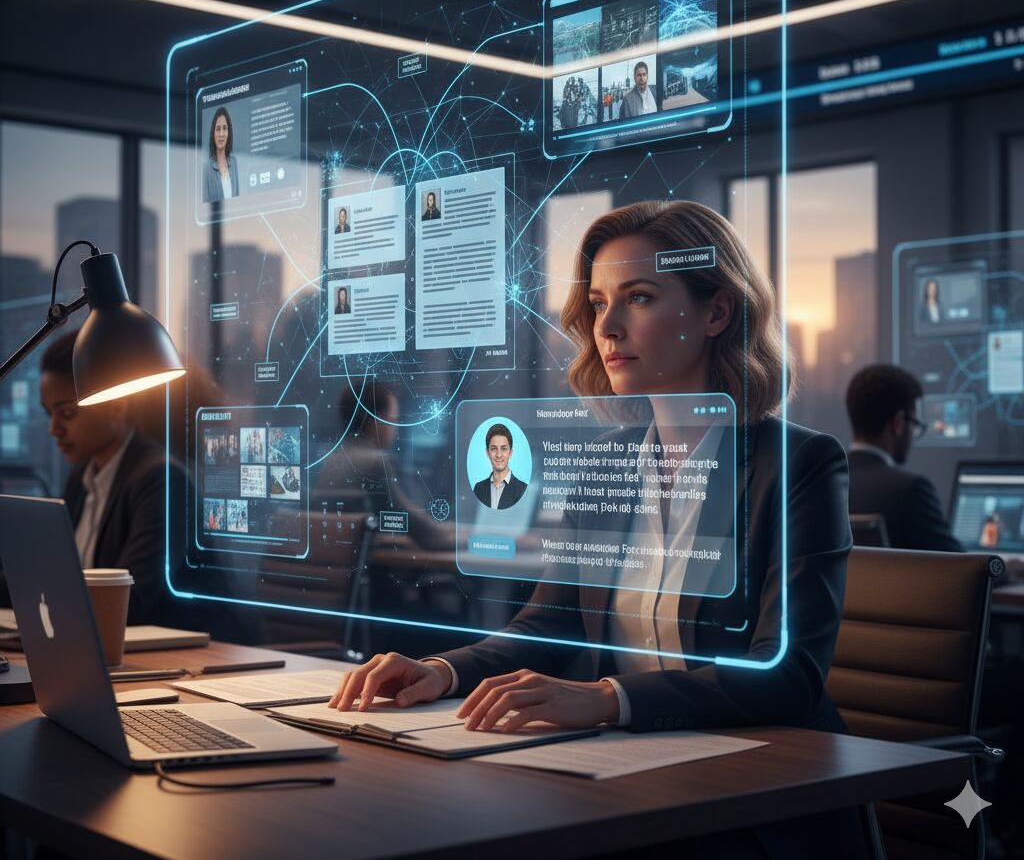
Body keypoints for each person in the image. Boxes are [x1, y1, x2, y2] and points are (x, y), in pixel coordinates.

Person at [329, 199, 866, 859]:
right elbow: (547, 624)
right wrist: (440, 671)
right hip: (633, 779)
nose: (606, 327)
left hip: (761, 798)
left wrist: (607, 698)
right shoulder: (609, 460)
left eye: (637, 298)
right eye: (598, 303)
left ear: (716, 313)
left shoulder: (797, 465)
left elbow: (786, 675)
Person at [34, 330, 189, 623]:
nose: (53, 429)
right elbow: (53, 575)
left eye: (66, 413)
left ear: (118, 404)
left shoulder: (159, 479)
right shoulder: (82, 477)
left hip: (180, 655)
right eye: (49, 414)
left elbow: (129, 601)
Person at [845, 364, 962, 552]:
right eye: (914, 424)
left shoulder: (825, 482)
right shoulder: (911, 490)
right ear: (898, 423)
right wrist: (1005, 568)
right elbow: (963, 569)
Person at [472, 423, 528, 510]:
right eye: (494, 449)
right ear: (487, 452)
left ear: (510, 453)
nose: (498, 455)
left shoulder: (523, 490)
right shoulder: (478, 489)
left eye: (504, 448)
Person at [202, 106, 239, 203]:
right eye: (218, 129)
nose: (221, 134)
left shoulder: (234, 162)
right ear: (213, 133)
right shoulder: (206, 169)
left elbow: (238, 199)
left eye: (225, 128)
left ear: (228, 132)